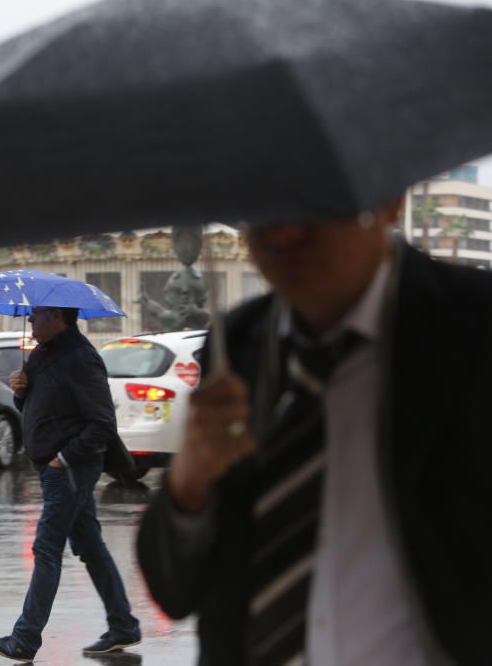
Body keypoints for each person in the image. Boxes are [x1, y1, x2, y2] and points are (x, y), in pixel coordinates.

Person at [136, 201, 492, 666]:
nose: (284, 232)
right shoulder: (237, 345)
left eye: (316, 203)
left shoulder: (474, 327)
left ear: (387, 204)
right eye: (265, 202)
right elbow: (173, 590)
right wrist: (188, 482)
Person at [0, 306, 141, 662]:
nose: (30, 321)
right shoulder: (43, 354)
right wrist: (20, 391)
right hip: (55, 468)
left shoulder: (81, 358)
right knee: (90, 546)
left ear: (56, 317)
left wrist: (63, 459)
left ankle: (24, 639)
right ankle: (124, 626)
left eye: (36, 315)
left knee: (47, 548)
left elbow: (102, 423)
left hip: (70, 469)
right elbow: (39, 407)